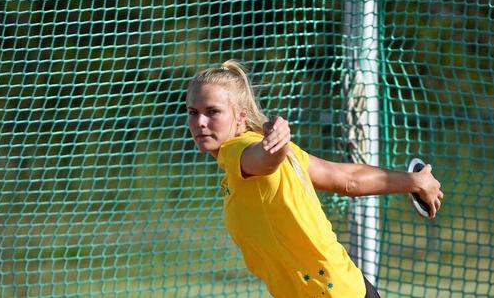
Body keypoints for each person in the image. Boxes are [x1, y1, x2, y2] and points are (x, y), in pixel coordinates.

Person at [185, 60, 444, 298]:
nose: (200, 122)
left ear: (241, 115)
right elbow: (346, 179)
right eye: (193, 112)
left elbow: (264, 160)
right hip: (347, 288)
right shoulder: (269, 152)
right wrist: (414, 181)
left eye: (212, 111)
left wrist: (275, 148)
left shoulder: (238, 151)